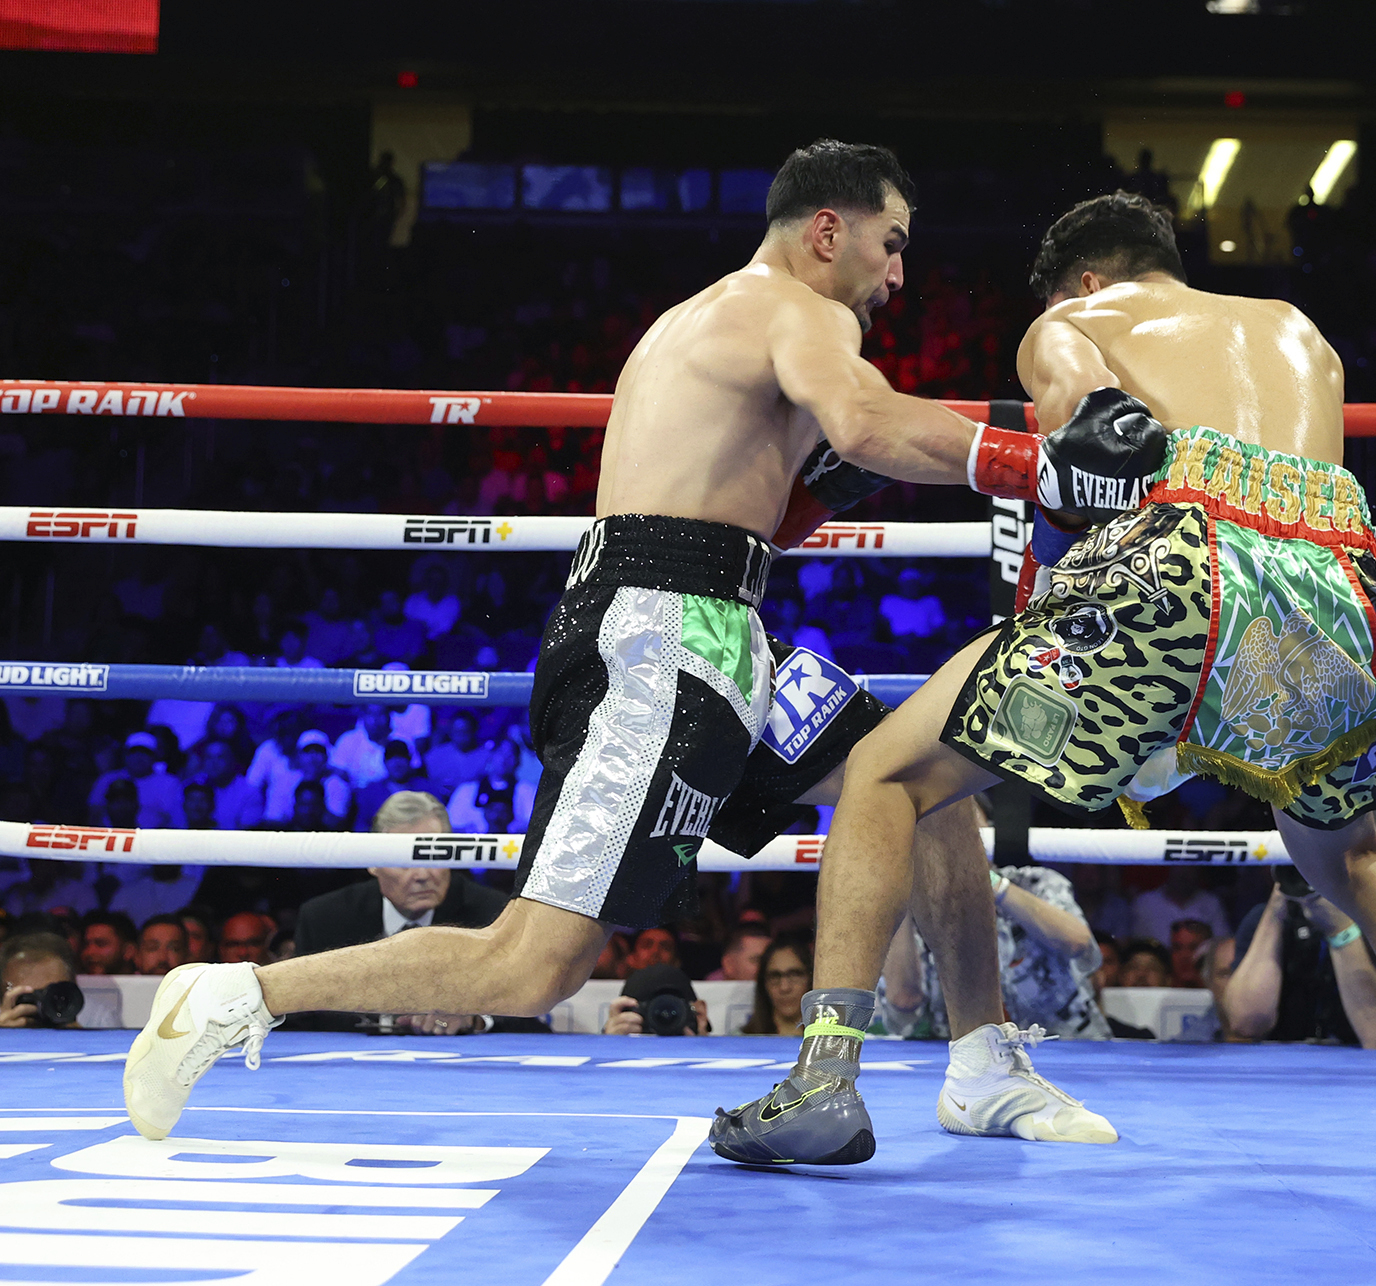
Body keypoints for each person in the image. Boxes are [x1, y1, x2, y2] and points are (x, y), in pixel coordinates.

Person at [122, 139, 1154, 1155]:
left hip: (718, 623)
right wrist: (1040, 465)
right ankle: (239, 993)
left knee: (923, 782)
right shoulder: (795, 309)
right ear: (825, 231)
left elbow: (765, 519)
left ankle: (981, 1063)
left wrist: (830, 486)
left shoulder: (713, 321)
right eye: (890, 243)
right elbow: (865, 420)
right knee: (534, 966)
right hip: (661, 641)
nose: (896, 275)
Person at [729, 191, 1376, 1174]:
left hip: (1171, 570)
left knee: (887, 771)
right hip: (1334, 595)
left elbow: (1096, 440)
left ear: (1086, 280)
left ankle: (824, 1079)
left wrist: (1052, 557)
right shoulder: (1300, 334)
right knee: (1352, 859)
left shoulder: (1074, 321)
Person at [290, 792, 517, 1035]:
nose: (422, 875)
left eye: (433, 857)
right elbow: (302, 1018)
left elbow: (526, 1009)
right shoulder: (324, 919)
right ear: (373, 863)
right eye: (405, 860)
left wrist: (476, 1019)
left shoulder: (493, 915)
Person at [879, 863, 1109, 1041]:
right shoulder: (911, 906)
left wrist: (987, 880)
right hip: (966, 1065)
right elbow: (904, 1000)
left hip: (1068, 1047)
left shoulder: (1034, 882)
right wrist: (902, 897)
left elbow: (1079, 944)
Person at [1221, 872, 1376, 1049]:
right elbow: (1246, 1023)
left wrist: (1341, 932)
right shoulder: (1263, 920)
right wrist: (1275, 913)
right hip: (1283, 1068)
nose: (1312, 873)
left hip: (1369, 1070)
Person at [87, 731, 182, 829]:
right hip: (111, 835)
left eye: (145, 753)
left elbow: (176, 820)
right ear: (125, 754)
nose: (139, 757)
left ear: (155, 756)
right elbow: (94, 814)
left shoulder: (170, 783)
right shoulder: (107, 779)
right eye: (134, 752)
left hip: (153, 836)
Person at [1, 932, 80, 1028]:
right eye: (27, 998)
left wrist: (76, 1034)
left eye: (53, 997)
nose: (41, 1007)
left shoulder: (87, 1037)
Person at [740, 932, 813, 1036]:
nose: (784, 987)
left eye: (794, 975)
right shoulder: (739, 1040)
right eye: (774, 976)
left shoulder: (831, 1041)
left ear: (810, 979)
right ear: (763, 984)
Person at [79, 910, 138, 976]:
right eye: (85, 945)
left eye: (101, 944)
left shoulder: (145, 982)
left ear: (128, 951)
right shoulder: (75, 981)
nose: (89, 952)